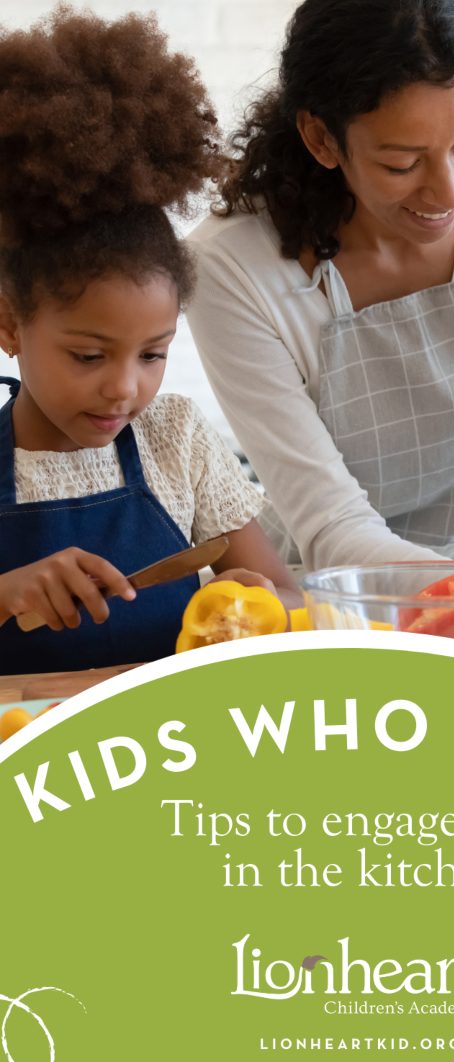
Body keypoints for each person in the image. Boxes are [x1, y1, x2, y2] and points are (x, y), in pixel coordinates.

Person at [187, 0, 454, 578]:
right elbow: (332, 524)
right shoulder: (233, 267)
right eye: (402, 163)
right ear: (321, 139)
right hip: (347, 604)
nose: (449, 192)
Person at [0, 8, 299, 675]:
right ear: (10, 325)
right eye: (88, 356)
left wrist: (258, 602)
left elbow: (285, 592)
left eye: (153, 353)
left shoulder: (176, 441)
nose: (125, 387)